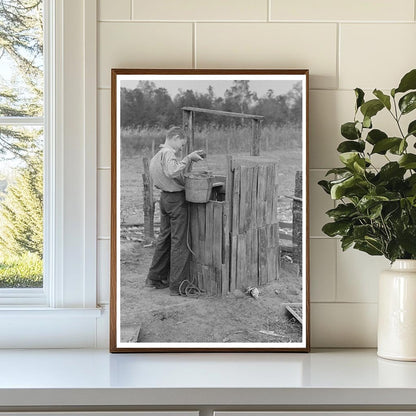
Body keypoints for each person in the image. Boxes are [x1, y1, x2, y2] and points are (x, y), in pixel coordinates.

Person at [145, 126, 204, 296]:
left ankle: (154, 278)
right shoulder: (169, 153)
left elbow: (166, 174)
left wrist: (188, 161)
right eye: (182, 144)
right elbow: (172, 171)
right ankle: (177, 285)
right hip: (176, 200)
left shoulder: (157, 156)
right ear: (176, 137)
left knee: (164, 239)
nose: (181, 148)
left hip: (164, 198)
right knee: (179, 242)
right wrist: (188, 158)